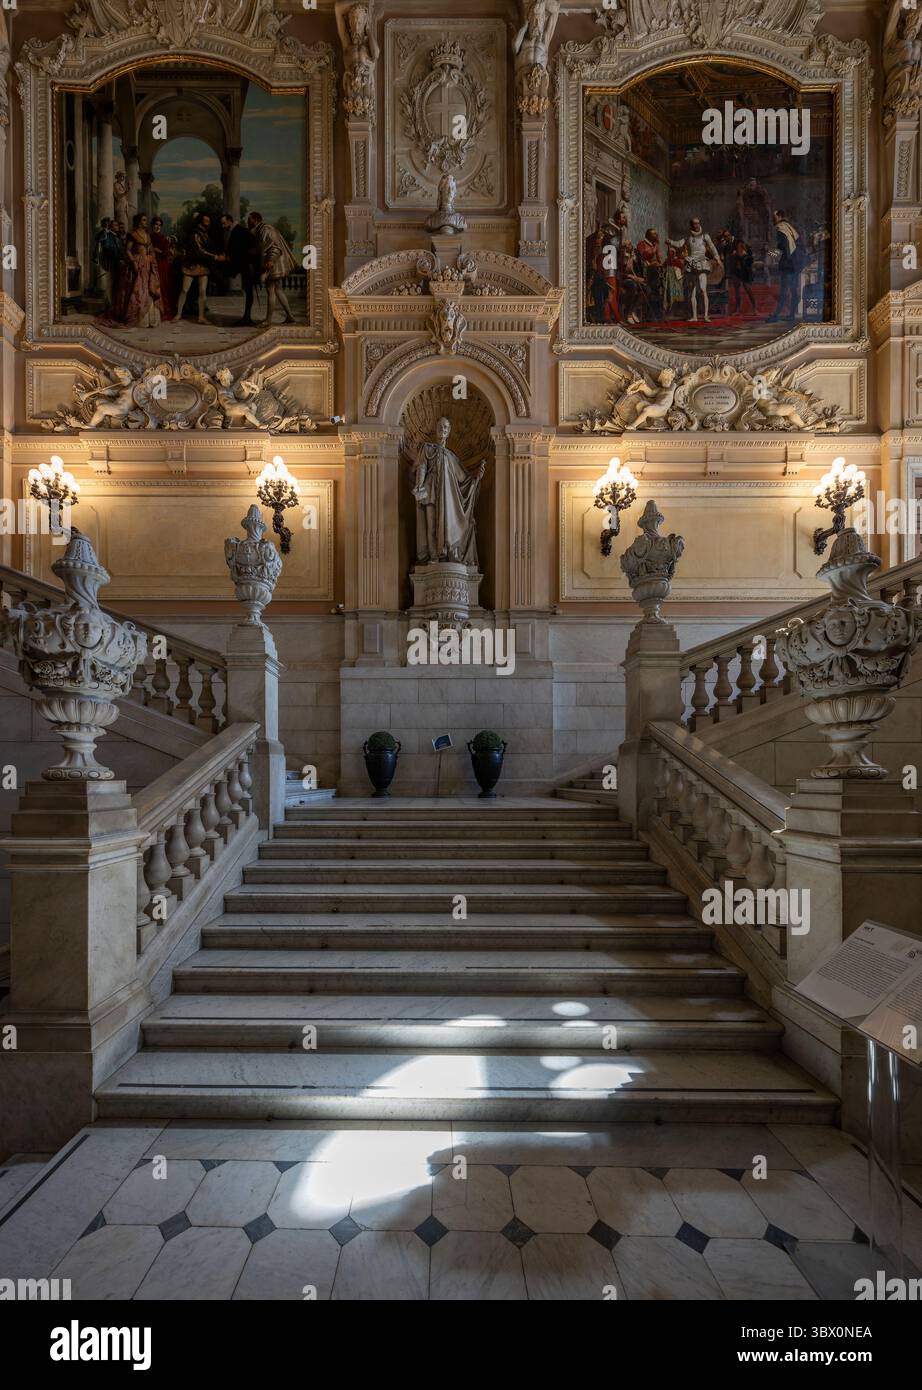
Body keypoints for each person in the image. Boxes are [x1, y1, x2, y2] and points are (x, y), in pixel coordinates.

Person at [105, 211, 160, 328]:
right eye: (144, 220)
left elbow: (151, 250)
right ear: (139, 222)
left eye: (146, 220)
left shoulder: (147, 235)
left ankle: (149, 319)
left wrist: (150, 257)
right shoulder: (133, 234)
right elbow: (128, 250)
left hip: (147, 265)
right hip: (137, 263)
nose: (146, 222)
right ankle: (139, 319)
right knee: (137, 289)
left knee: (147, 289)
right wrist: (134, 262)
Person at [174, 210, 226, 325]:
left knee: (202, 291)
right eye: (206, 221)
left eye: (209, 221)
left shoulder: (207, 234)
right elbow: (199, 251)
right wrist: (216, 257)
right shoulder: (195, 234)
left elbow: (208, 249)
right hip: (191, 265)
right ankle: (178, 314)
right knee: (184, 290)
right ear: (200, 223)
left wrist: (217, 254)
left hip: (203, 265)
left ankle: (201, 317)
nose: (208, 223)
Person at [248, 211, 297, 325]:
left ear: (255, 220)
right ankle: (290, 316)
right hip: (272, 263)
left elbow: (275, 247)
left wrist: (270, 261)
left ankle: (268, 320)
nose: (248, 222)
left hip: (271, 264)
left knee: (271, 291)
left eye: (249, 220)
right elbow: (263, 248)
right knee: (278, 290)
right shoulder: (261, 230)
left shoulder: (266, 229)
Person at [668, 217, 721, 323]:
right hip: (691, 265)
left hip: (702, 264)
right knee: (692, 292)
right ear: (691, 225)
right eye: (694, 224)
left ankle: (706, 316)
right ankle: (695, 317)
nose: (696, 225)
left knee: (702, 290)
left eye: (697, 223)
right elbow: (678, 244)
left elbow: (712, 247)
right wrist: (669, 241)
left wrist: (717, 258)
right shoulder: (688, 237)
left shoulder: (705, 236)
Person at [221, 213, 259, 326]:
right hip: (246, 266)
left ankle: (247, 318)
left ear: (230, 221)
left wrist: (230, 257)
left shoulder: (241, 230)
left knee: (248, 292)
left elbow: (252, 248)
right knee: (248, 292)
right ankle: (246, 317)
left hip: (249, 266)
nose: (223, 226)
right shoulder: (237, 231)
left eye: (224, 223)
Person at [768, 208, 806, 322]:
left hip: (788, 264)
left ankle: (775, 316)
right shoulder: (789, 226)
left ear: (779, 216)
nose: (773, 219)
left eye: (774, 217)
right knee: (793, 289)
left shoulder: (780, 228)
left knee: (784, 290)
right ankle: (791, 315)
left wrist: (769, 252)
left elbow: (782, 248)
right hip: (796, 263)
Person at [92, 216, 123, 309]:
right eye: (115, 225)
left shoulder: (116, 237)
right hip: (110, 264)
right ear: (110, 226)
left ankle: (114, 306)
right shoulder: (107, 236)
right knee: (109, 286)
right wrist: (119, 257)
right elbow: (107, 249)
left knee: (116, 286)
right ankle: (109, 307)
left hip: (117, 264)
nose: (117, 226)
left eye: (117, 225)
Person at [149, 216, 176, 321]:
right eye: (156, 224)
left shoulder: (164, 238)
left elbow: (168, 253)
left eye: (159, 225)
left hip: (162, 264)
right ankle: (153, 310)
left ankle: (163, 309)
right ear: (152, 225)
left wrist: (157, 250)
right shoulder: (149, 237)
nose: (157, 227)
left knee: (163, 285)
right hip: (151, 262)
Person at [635, 228, 663, 321]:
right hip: (644, 271)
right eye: (654, 234)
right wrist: (655, 248)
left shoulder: (655, 245)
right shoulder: (642, 244)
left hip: (654, 272)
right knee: (651, 291)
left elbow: (659, 260)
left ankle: (657, 314)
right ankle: (650, 316)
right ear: (649, 235)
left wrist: (657, 248)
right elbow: (643, 256)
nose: (656, 235)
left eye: (656, 233)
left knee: (657, 292)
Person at [727, 238, 756, 315]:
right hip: (737, 273)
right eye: (738, 245)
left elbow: (750, 263)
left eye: (741, 244)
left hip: (745, 272)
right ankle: (738, 309)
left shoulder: (747, 253)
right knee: (737, 291)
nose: (740, 246)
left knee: (748, 289)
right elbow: (732, 264)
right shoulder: (734, 253)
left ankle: (754, 308)